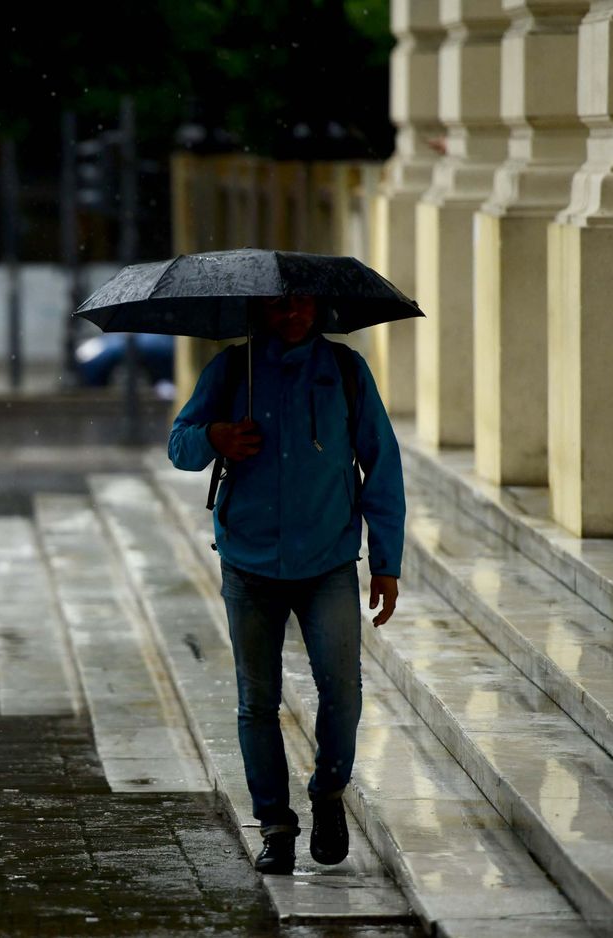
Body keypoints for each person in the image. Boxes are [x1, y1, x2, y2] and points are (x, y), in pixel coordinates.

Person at [167, 294, 404, 876]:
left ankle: (327, 793)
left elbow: (383, 461)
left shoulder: (345, 371)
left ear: (320, 309)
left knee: (342, 691)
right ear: (259, 312)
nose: (292, 316)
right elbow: (180, 445)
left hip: (327, 561)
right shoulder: (231, 370)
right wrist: (214, 437)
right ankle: (275, 825)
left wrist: (386, 561)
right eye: (279, 307)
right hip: (248, 563)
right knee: (258, 702)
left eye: (303, 306)